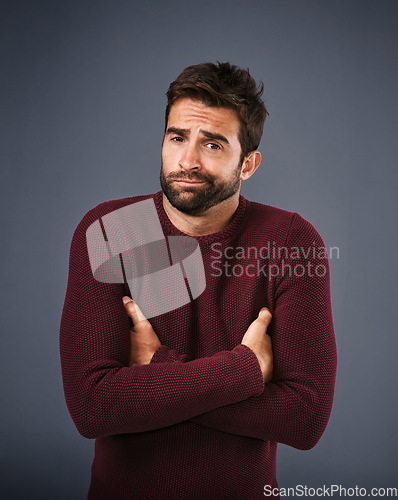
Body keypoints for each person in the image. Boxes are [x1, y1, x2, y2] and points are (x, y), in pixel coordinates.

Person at [60, 62, 337, 499]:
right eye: (177, 138)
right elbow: (92, 407)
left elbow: (305, 418)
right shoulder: (109, 231)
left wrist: (158, 370)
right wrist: (243, 370)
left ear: (248, 164)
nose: (187, 160)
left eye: (212, 144)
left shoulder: (291, 242)